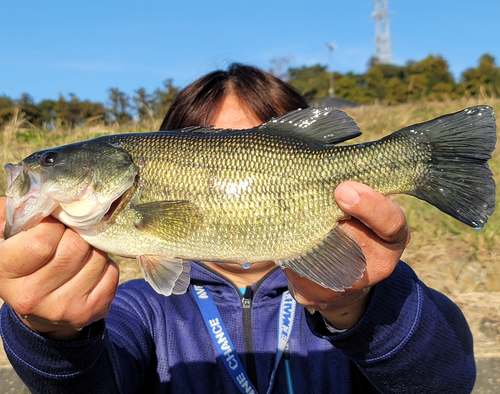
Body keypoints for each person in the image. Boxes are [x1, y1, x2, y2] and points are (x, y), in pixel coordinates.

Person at [0, 64, 475, 393]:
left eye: (49, 161)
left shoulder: (352, 291)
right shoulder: (144, 309)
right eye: (208, 142)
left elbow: (448, 381)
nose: (40, 167)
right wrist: (50, 331)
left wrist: (358, 306)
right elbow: (92, 384)